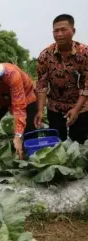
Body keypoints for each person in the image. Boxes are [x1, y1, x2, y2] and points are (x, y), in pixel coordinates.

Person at [35, 14, 88, 144]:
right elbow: (42, 84)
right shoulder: (45, 55)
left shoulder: (84, 53)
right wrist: (41, 110)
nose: (59, 34)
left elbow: (87, 85)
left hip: (80, 106)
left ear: (73, 31)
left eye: (63, 30)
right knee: (57, 143)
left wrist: (76, 109)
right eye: (56, 30)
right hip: (55, 107)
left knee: (79, 143)